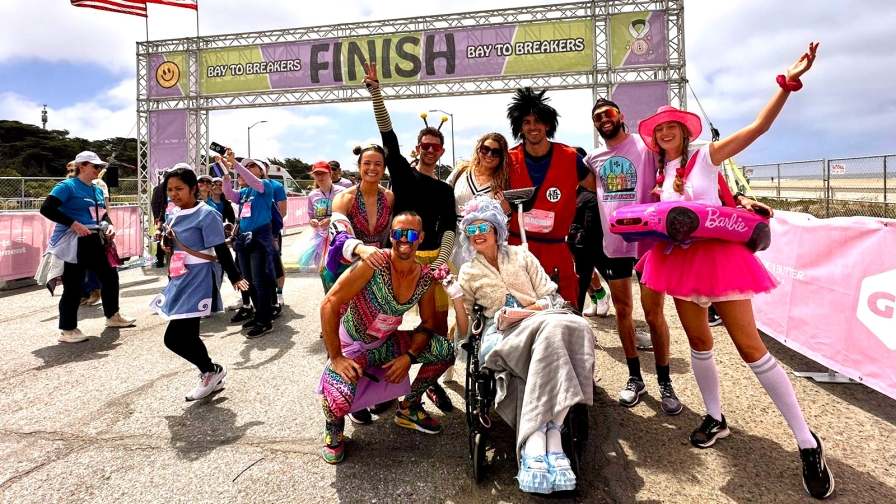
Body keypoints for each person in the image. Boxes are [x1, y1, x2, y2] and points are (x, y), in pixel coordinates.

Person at [636, 43, 833, 500]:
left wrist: (787, 82)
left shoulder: (708, 156)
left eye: (672, 126)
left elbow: (759, 128)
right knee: (700, 343)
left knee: (750, 348)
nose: (665, 132)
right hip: (677, 263)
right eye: (659, 128)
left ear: (685, 131)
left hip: (718, 260)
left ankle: (806, 441)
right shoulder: (662, 173)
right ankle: (715, 417)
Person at [453, 197, 594, 494]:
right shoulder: (467, 272)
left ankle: (540, 440)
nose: (478, 233)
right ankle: (550, 437)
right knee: (559, 329)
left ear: (496, 230)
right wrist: (455, 302)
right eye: (471, 229)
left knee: (572, 324)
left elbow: (549, 295)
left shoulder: (522, 255)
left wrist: (530, 311)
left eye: (484, 227)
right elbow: (466, 325)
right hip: (501, 334)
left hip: (540, 319)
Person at [318, 211, 456, 464]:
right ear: (391, 236)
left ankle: (409, 407)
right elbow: (329, 303)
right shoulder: (374, 263)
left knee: (445, 350)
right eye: (398, 233)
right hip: (353, 349)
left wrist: (409, 356)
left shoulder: (424, 278)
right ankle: (333, 428)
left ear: (421, 238)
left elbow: (426, 324)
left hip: (384, 346)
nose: (404, 239)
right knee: (338, 400)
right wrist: (336, 357)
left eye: (411, 234)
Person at [363, 63, 458, 412]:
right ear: (418, 148)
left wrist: (441, 261)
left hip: (433, 262)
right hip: (398, 260)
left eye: (436, 147)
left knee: (436, 325)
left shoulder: (445, 191)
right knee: (384, 324)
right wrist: (376, 92)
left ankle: (423, 387)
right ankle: (377, 386)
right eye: (426, 145)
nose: (430, 150)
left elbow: (449, 227)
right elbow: (387, 136)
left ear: (442, 152)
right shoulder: (402, 173)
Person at [582, 98, 681, 413]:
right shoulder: (594, 159)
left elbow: (682, 164)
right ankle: (635, 377)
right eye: (598, 117)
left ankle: (665, 381)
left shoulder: (646, 146)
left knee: (654, 315)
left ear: (620, 116)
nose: (604, 119)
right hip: (614, 246)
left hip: (648, 244)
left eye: (608, 113)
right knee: (624, 312)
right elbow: (577, 185)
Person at [149, 167, 249, 401]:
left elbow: (221, 248)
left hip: (199, 277)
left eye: (179, 189)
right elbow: (176, 243)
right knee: (189, 334)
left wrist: (235, 276)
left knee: (173, 338)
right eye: (170, 189)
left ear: (193, 188)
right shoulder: (173, 213)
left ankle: (210, 370)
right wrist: (166, 243)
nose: (174, 194)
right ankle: (210, 371)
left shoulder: (207, 214)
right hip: (180, 275)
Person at [505, 87, 590, 306]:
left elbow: (597, 188)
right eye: (526, 122)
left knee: (566, 303)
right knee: (518, 304)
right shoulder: (508, 160)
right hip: (518, 245)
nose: (533, 127)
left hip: (555, 246)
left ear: (548, 125)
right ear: (520, 128)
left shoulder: (571, 157)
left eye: (538, 121)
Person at [39, 151, 136, 343]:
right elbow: (46, 208)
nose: (99, 170)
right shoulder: (67, 186)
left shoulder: (97, 189)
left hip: (96, 239)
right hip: (73, 241)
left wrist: (110, 226)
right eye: (95, 166)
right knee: (74, 285)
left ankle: (112, 316)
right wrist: (74, 224)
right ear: (81, 166)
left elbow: (102, 215)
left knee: (110, 277)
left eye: (100, 167)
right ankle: (68, 330)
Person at [219, 149, 278, 339]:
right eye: (245, 167)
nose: (246, 169)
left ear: (261, 171)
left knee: (260, 281)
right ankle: (258, 314)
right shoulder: (244, 192)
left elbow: (253, 181)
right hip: (244, 239)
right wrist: (226, 173)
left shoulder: (265, 186)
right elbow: (228, 193)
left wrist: (235, 164)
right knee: (248, 279)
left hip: (259, 238)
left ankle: (265, 320)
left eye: (251, 166)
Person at [445, 132, 512, 267]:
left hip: (483, 247)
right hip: (455, 244)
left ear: (502, 156)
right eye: (485, 149)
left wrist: (507, 211)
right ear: (479, 149)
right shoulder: (460, 172)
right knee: (454, 285)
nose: (489, 155)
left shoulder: (503, 183)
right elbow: (443, 198)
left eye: (495, 152)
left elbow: (504, 226)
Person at [567, 148, 610, 316]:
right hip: (579, 245)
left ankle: (602, 299)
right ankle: (597, 299)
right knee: (581, 283)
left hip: (590, 246)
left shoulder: (590, 191)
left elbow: (591, 226)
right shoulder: (574, 189)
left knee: (584, 282)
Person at [297, 161, 345, 279]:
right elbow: (311, 215)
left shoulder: (342, 192)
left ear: (330, 174)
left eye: (322, 173)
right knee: (323, 272)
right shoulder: (312, 195)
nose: (320, 177)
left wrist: (331, 220)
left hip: (338, 237)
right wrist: (312, 221)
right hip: (319, 239)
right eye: (316, 174)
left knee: (338, 272)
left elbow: (347, 214)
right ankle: (328, 295)